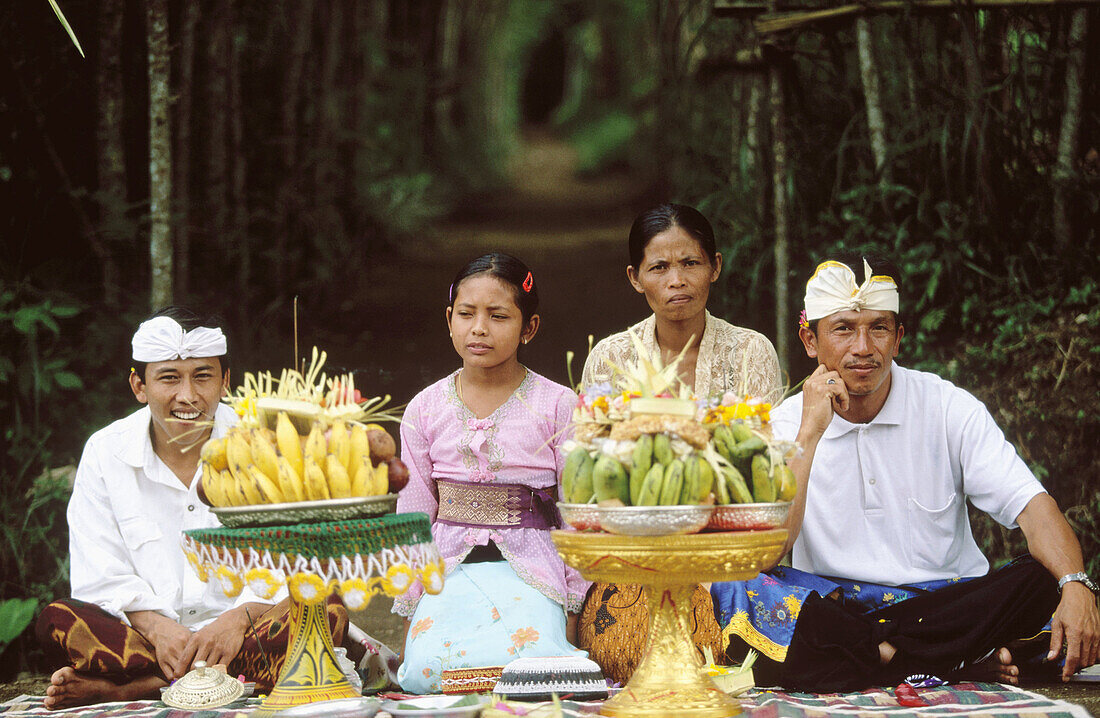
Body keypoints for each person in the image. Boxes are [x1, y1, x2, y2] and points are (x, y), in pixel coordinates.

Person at [710, 255, 1100, 691]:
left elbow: (1031, 506)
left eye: (878, 328)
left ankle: (886, 658)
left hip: (947, 604)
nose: (862, 347)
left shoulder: (947, 405)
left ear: (897, 339)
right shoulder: (783, 426)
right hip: (838, 610)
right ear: (810, 340)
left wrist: (1076, 584)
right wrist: (809, 434)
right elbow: (766, 553)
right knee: (731, 584)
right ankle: (952, 660)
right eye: (843, 329)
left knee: (1045, 581)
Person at [36, 307, 348, 710]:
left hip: (246, 631)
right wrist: (155, 625)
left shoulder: (266, 444)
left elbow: (292, 561)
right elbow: (98, 574)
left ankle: (137, 687)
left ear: (225, 382)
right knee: (58, 619)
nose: (187, 395)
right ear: (139, 385)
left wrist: (237, 620)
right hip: (146, 639)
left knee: (327, 607)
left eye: (203, 376)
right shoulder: (104, 451)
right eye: (169, 377)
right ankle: (202, 676)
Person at [578, 203, 782, 683]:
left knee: (746, 638)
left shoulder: (751, 352)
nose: (677, 280)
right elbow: (593, 479)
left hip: (730, 553)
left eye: (691, 263)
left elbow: (764, 477)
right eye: (660, 267)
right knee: (625, 651)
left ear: (715, 266)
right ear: (635, 277)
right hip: (635, 555)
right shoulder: (610, 357)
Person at [394, 253, 590, 694]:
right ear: (449, 320)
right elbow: (414, 516)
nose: (479, 328)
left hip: (535, 569)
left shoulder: (558, 406)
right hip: (447, 572)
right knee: (426, 672)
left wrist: (574, 609)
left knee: (540, 668)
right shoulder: (424, 408)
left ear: (529, 328)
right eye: (466, 314)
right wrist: (411, 607)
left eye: (498, 316)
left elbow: (579, 513)